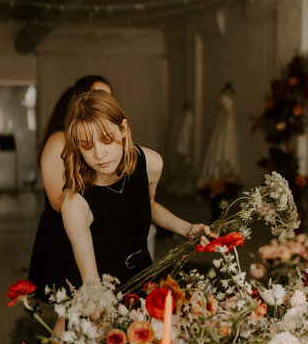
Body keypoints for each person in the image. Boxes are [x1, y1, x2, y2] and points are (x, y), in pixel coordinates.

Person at [60, 90, 214, 318]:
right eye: (86, 145)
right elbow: (91, 282)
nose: (99, 154)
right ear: (77, 146)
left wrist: (187, 228)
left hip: (144, 274)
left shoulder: (150, 163)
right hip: (101, 294)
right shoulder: (75, 203)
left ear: (123, 129)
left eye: (106, 139)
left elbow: (147, 206)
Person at [28, 76, 112, 308]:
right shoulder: (59, 140)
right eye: (97, 97)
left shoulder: (94, 144)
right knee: (71, 311)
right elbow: (57, 201)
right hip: (61, 235)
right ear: (78, 100)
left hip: (83, 230)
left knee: (77, 311)